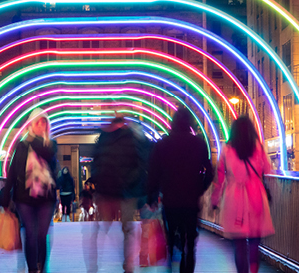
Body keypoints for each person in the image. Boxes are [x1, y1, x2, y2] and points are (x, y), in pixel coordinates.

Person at [146, 108, 214, 273]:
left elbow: (153, 171)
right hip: (191, 199)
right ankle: (187, 266)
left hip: (170, 198)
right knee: (190, 241)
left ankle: (171, 262)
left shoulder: (163, 144)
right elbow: (209, 171)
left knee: (171, 235)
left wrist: (152, 196)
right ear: (190, 123)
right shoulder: (198, 143)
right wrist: (200, 187)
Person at [0, 109, 60, 273]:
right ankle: (32, 269)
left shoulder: (50, 145)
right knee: (30, 233)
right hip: (24, 197)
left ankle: (41, 266)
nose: (41, 124)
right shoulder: (22, 145)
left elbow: (47, 155)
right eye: (37, 121)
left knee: (41, 235)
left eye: (44, 121)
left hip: (46, 197)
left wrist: (33, 138)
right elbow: (13, 171)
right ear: (31, 124)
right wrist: (6, 195)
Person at [211, 116, 275, 273]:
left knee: (239, 244)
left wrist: (215, 200)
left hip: (234, 198)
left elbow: (220, 176)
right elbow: (267, 169)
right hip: (255, 196)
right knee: (254, 241)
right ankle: (254, 270)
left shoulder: (226, 149)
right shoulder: (258, 147)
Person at [86, 115, 145, 273]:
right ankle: (126, 263)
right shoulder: (112, 139)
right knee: (122, 229)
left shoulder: (110, 139)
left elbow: (96, 162)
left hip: (120, 191)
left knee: (108, 229)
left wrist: (100, 180)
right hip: (117, 191)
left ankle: (122, 263)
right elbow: (96, 162)